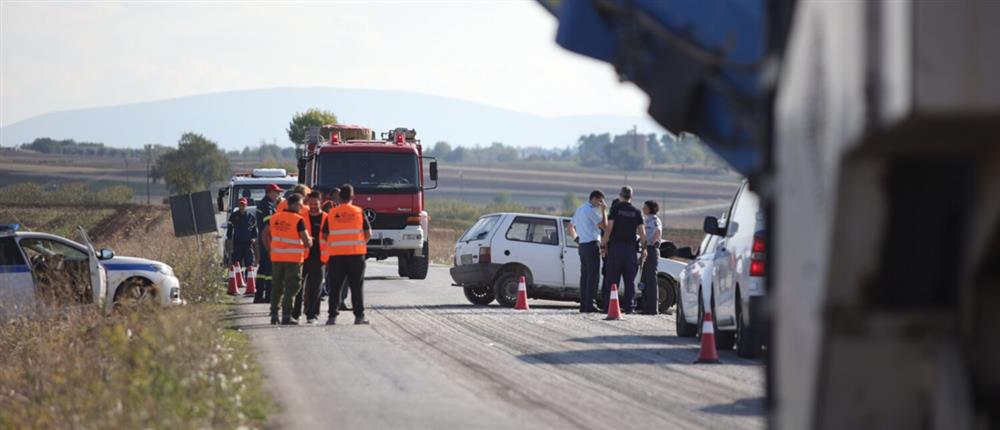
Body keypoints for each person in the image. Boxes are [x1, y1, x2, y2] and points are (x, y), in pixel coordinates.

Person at [323, 184, 372, 325]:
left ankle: (332, 317)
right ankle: (359, 316)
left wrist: (335, 243)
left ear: (339, 197)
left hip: (336, 255)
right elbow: (368, 233)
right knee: (356, 287)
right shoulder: (358, 212)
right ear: (352, 196)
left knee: (335, 287)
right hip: (356, 255)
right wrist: (360, 243)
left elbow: (325, 234)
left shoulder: (332, 213)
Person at [262, 193, 312, 325]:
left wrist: (269, 249)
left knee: (277, 286)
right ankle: (286, 315)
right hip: (293, 259)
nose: (302, 207)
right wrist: (310, 242)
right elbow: (306, 241)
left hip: (277, 257)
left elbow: (264, 234)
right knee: (292, 286)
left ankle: (274, 314)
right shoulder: (298, 220)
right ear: (295, 205)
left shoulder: (274, 218)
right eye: (300, 205)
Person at [601, 186, 647, 314]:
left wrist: (603, 244)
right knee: (630, 281)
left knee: (612, 280)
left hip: (616, 249)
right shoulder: (637, 212)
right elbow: (642, 233)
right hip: (630, 250)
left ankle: (609, 307)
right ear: (631, 197)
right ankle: (629, 307)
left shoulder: (615, 209)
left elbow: (609, 229)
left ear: (620, 196)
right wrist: (644, 249)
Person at [568, 190, 607, 313]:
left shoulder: (580, 209)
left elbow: (570, 226)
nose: (600, 204)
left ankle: (584, 304)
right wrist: (604, 211)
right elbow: (604, 225)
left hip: (582, 245)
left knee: (584, 276)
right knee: (593, 276)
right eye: (600, 201)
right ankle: (590, 304)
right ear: (594, 199)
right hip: (591, 244)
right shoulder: (590, 210)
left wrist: (576, 239)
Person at [293, 191, 328, 324]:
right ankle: (295, 313)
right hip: (302, 257)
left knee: (316, 287)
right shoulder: (300, 217)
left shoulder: (327, 218)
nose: (313, 206)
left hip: (320, 257)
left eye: (316, 203)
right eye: (311, 203)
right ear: (308, 203)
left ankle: (312, 314)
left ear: (321, 202)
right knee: (298, 287)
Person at [254, 183, 283, 304]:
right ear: (270, 192)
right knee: (270, 269)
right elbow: (270, 224)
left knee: (263, 269)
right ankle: (269, 296)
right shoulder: (267, 205)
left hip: (263, 239)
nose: (278, 195)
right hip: (268, 240)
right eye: (276, 192)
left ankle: (259, 295)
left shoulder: (265, 203)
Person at [640, 200, 663, 315]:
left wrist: (652, 243)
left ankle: (653, 308)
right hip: (645, 249)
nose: (643, 208)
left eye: (644, 207)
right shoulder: (645, 220)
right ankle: (646, 307)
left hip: (651, 249)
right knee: (644, 279)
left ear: (649, 208)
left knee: (651, 279)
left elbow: (657, 231)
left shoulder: (654, 219)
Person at [226, 197, 257, 278]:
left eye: (243, 205)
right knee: (237, 262)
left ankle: (248, 278)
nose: (242, 207)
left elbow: (254, 231)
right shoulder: (234, 216)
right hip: (237, 243)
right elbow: (229, 230)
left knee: (249, 262)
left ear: (246, 205)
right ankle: (238, 278)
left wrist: (254, 239)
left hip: (248, 244)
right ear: (238, 205)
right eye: (240, 205)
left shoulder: (251, 217)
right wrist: (229, 241)